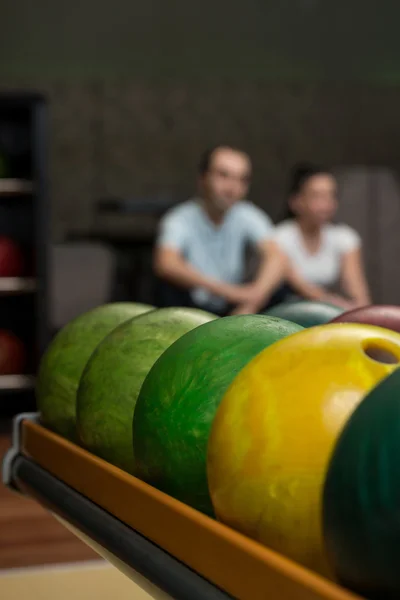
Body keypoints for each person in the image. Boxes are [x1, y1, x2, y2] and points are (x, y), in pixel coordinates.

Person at [154, 145, 287, 316]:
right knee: (167, 287)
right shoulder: (179, 218)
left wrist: (254, 298)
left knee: (277, 287)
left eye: (242, 179)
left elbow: (277, 257)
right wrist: (227, 291)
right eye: (223, 175)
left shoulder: (247, 214)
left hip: (233, 307)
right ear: (203, 178)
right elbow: (166, 263)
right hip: (191, 307)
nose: (232, 187)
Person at [274, 163, 371, 309]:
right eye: (317, 196)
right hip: (286, 313)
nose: (325, 205)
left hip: (327, 311)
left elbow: (358, 293)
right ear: (296, 202)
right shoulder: (279, 238)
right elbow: (301, 286)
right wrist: (338, 305)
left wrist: (361, 310)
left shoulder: (345, 238)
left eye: (330, 196)